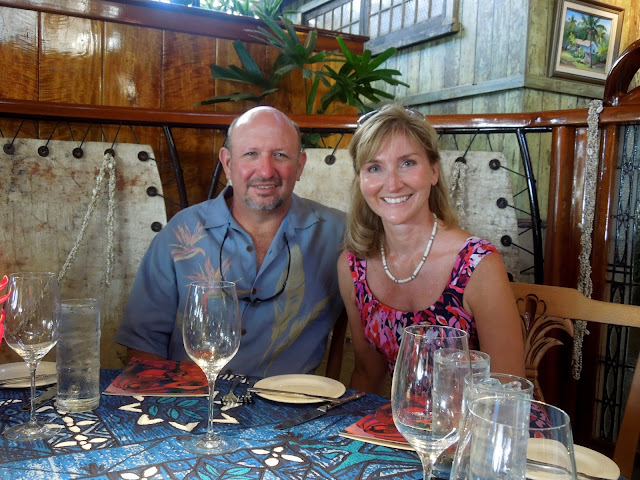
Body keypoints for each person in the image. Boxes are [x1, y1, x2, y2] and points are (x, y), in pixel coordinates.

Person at [115, 106, 346, 377]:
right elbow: (142, 347)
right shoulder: (181, 232)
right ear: (227, 163)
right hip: (192, 404)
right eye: (251, 154)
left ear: (300, 165)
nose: (266, 170)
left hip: (289, 411)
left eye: (280, 155)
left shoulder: (340, 234)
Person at [337, 104, 526, 394]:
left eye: (407, 163)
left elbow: (506, 391)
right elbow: (367, 373)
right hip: (410, 427)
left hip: (489, 427)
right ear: (361, 180)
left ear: (434, 171)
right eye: (374, 167)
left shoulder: (478, 264)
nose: (392, 183)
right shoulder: (353, 267)